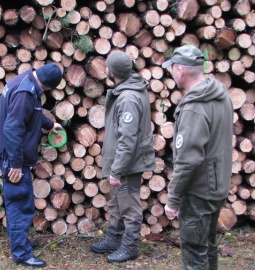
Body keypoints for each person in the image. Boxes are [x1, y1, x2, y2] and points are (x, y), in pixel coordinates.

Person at [0, 63, 63, 268]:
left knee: (21, 200)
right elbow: (12, 129)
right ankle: (21, 253)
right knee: (19, 202)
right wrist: (16, 165)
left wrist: (49, 124)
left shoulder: (26, 81)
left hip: (12, 153)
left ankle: (21, 242)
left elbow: (32, 113)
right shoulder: (25, 93)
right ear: (48, 86)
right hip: (12, 155)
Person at [162, 45, 233, 270]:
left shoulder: (194, 107)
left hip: (199, 192)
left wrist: (173, 199)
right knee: (208, 245)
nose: (171, 73)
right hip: (217, 186)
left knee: (194, 251)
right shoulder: (220, 95)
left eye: (172, 68)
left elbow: (188, 159)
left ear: (181, 70)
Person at [89, 51, 155, 263]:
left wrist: (117, 169)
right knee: (117, 204)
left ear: (113, 71)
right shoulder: (126, 91)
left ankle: (129, 247)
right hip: (123, 162)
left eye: (107, 66)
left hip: (127, 165)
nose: (105, 70)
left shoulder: (128, 98)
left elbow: (128, 139)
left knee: (129, 206)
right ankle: (113, 240)